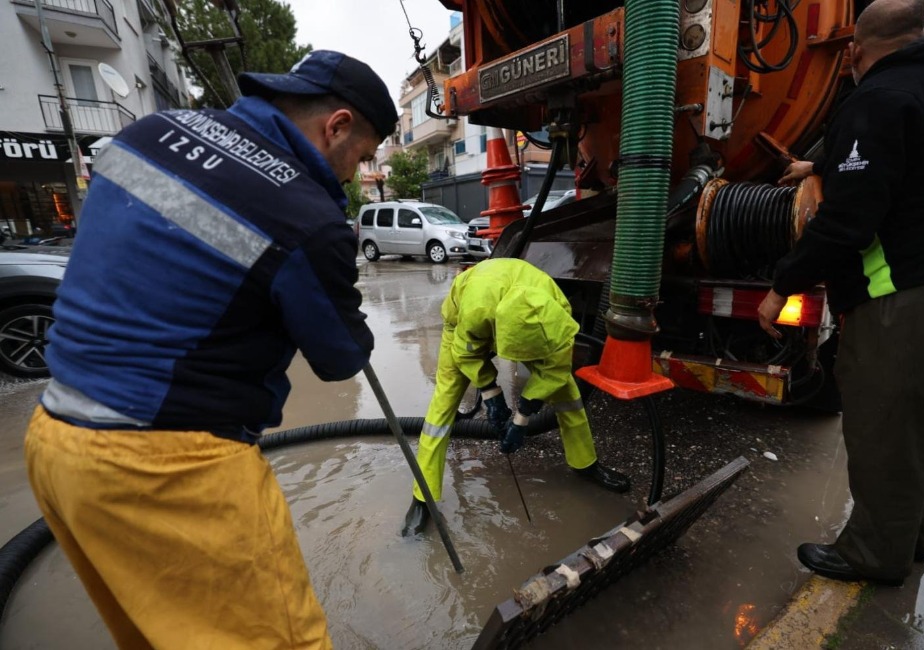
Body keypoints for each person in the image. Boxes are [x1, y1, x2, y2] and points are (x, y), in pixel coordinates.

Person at [24, 51, 397, 648]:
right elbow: (340, 359)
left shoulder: (147, 133)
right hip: (169, 473)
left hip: (56, 442)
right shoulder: (306, 215)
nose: (356, 173)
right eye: (363, 155)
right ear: (338, 126)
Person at [757, 0, 924, 586]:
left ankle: (873, 554)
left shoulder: (877, 96)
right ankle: (911, 537)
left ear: (855, 51)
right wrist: (814, 166)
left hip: (907, 296)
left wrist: (781, 286)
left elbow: (847, 223)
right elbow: (908, 163)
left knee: (886, 426)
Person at [402, 258, 631, 536]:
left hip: (509, 315)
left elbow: (555, 368)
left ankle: (585, 463)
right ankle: (423, 497)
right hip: (461, 323)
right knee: (442, 407)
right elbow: (466, 352)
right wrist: (490, 391)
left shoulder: (556, 313)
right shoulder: (477, 307)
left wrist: (522, 416)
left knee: (568, 395)